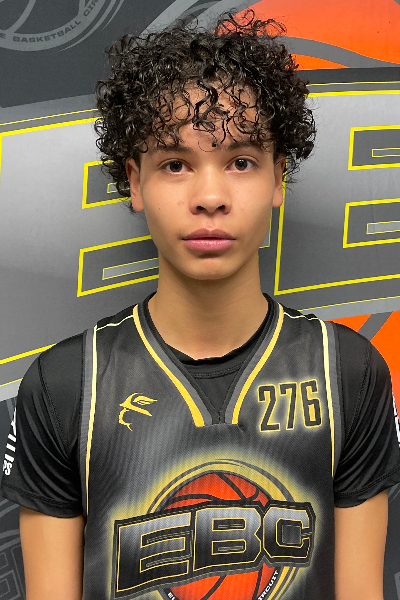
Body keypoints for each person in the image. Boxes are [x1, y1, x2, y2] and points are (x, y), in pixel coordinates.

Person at [2, 10, 400, 600]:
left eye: (240, 162)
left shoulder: (348, 372)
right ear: (135, 182)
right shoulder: (65, 386)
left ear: (278, 179)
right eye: (175, 164)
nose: (210, 196)